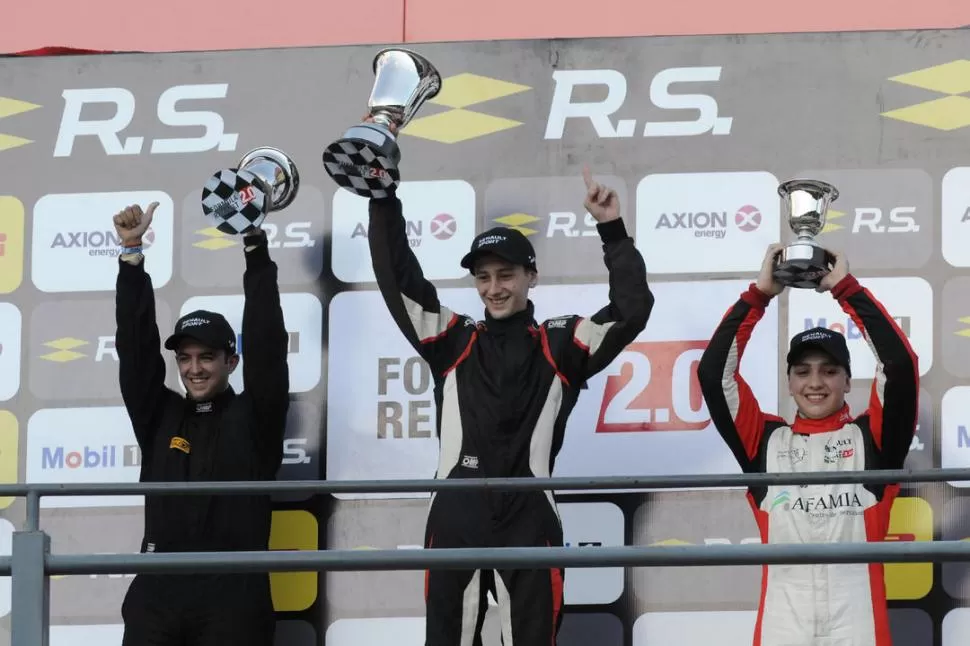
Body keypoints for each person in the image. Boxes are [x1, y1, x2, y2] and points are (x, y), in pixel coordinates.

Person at [366, 137, 653, 644]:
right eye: (483, 278)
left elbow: (632, 309)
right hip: (456, 521)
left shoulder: (561, 344)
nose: (494, 288)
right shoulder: (452, 340)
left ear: (531, 277)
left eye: (506, 275)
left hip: (530, 521)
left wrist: (611, 228)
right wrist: (383, 198)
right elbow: (400, 280)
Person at [696, 243, 919, 646]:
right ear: (790, 383)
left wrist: (845, 289)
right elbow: (714, 375)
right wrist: (758, 296)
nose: (815, 383)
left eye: (830, 371)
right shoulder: (763, 442)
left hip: (859, 628)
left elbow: (899, 366)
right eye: (803, 372)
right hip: (784, 628)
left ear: (848, 381)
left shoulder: (874, 440)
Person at [113, 202, 290, 646]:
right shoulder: (160, 415)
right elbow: (135, 351)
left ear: (231, 361)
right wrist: (132, 257)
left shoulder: (255, 417)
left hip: (233, 594)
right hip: (158, 589)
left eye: (207, 357)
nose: (194, 369)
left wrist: (254, 245)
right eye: (185, 358)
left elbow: (268, 344)